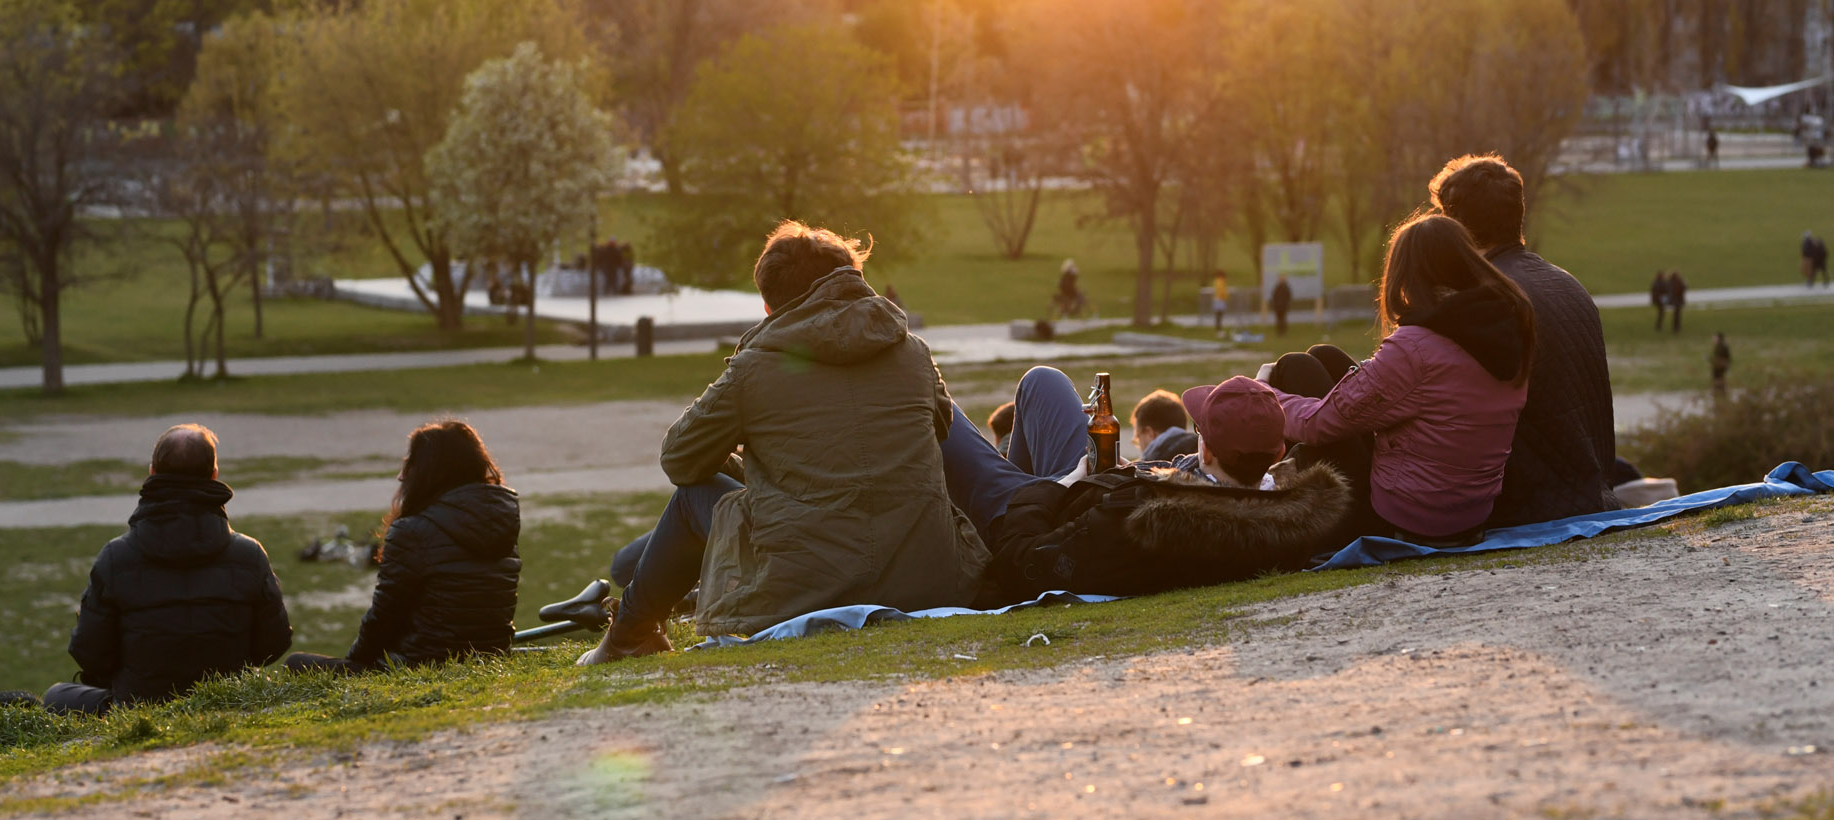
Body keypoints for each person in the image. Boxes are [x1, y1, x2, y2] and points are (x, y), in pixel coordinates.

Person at [578, 222, 988, 664]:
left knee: (694, 495)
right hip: (927, 577)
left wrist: (744, 455)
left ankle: (630, 634)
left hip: (813, 588)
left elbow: (679, 459)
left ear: (770, 306)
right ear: (854, 283)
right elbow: (940, 430)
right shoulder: (914, 353)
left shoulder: (755, 369)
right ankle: (632, 620)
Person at [936, 368, 1350, 603]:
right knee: (1043, 382)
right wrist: (1133, 472)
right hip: (1091, 493)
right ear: (1278, 454)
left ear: (1206, 451)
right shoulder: (1289, 510)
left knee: (937, 405)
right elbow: (1215, 485)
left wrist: (1062, 485)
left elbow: (1021, 563)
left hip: (1033, 518)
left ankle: (1010, 487)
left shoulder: (1143, 521)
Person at [1264, 211, 1534, 548]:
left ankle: (1274, 495)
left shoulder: (1416, 346)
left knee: (1295, 367)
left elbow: (1318, 425)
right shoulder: (1503, 323)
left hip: (1409, 517)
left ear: (1407, 273)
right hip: (1472, 510)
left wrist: (1265, 394)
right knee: (1324, 356)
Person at [45, 425, 292, 714]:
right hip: (229, 701)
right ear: (214, 475)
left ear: (152, 473)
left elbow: (90, 653)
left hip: (140, 706)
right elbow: (275, 643)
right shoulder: (249, 555)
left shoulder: (116, 557)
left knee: (56, 695)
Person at [1430, 155, 1620, 527]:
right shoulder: (1568, 283)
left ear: (1454, 224)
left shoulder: (1483, 299)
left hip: (1527, 508)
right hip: (1594, 495)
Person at [285, 420, 520, 675]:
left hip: (423, 664)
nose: (401, 475)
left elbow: (384, 617)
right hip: (491, 656)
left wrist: (355, 663)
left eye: (409, 464)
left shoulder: (413, 531)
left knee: (295, 663)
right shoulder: (500, 519)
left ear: (430, 471)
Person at [1131, 389, 1197, 464]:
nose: (1139, 447)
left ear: (1149, 433)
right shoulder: (1203, 452)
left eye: (1137, 438)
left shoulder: (1153, 467)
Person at [1708, 333, 1732, 397]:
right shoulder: (1721, 346)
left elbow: (1721, 357)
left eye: (1715, 337)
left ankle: (1719, 393)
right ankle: (1721, 393)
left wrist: (1711, 360)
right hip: (1720, 365)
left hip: (1720, 366)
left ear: (1718, 338)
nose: (1713, 339)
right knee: (1720, 379)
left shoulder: (1721, 347)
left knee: (1718, 379)